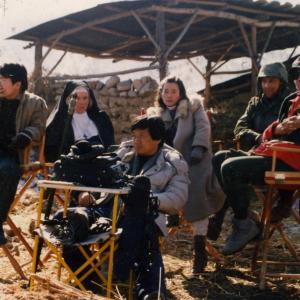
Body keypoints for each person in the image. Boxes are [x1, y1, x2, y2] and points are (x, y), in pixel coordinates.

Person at [53, 115, 189, 299]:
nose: (136, 141)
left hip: (143, 215)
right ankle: (87, 282)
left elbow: (178, 197)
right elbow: (92, 177)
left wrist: (145, 200)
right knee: (69, 220)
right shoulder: (122, 153)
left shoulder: (172, 162)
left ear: (157, 139)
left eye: (142, 136)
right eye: (134, 135)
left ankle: (149, 292)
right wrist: (84, 194)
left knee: (144, 226)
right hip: (105, 208)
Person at [214, 56, 300, 255]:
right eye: (296, 74)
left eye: (273, 80)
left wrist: (272, 134)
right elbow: (270, 132)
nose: (298, 79)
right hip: (274, 155)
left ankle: (244, 223)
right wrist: (273, 131)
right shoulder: (290, 101)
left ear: (281, 82)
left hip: (290, 163)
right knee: (220, 158)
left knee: (230, 167)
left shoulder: (286, 99)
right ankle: (246, 221)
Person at [147, 76, 225, 274]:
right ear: (161, 94)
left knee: (197, 193)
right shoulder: (157, 115)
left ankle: (199, 252)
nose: (169, 95)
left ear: (180, 93)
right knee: (154, 187)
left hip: (194, 160)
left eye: (173, 91)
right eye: (166, 91)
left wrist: (199, 147)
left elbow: (203, 127)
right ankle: (166, 220)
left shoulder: (193, 107)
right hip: (169, 164)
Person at [0, 63, 47, 244]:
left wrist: (26, 135)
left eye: (4, 79)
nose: (0, 83)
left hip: (12, 154)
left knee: (6, 170)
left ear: (17, 84)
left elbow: (39, 127)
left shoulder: (35, 103)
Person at [45, 81, 114, 162]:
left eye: (85, 98)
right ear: (69, 99)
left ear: (90, 99)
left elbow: (110, 146)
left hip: (100, 165)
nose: (82, 102)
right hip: (71, 165)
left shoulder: (101, 118)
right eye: (77, 98)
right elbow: (52, 151)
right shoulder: (59, 120)